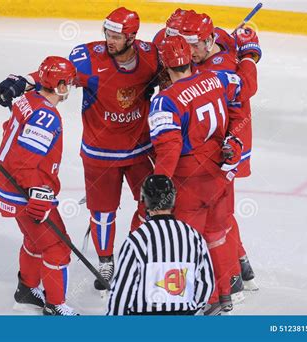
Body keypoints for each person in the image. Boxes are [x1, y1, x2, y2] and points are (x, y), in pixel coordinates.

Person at [148, 35, 251, 314]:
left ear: (164, 64)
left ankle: (178, 303)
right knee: (217, 234)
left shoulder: (165, 100)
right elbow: (242, 97)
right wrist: (235, 141)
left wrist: (160, 185)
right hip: (218, 173)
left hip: (188, 180)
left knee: (179, 242)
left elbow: (169, 149)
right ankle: (223, 294)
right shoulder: (218, 79)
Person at [67, 7, 160, 291]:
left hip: (139, 149)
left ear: (132, 37)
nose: (110, 40)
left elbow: (176, 71)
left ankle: (138, 254)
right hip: (100, 154)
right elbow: (59, 74)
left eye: (117, 36)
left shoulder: (150, 58)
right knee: (103, 212)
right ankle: (106, 261)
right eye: (108, 33)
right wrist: (26, 82)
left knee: (152, 205)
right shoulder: (88, 60)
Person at [179, 11, 261, 301]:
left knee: (219, 214)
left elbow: (247, 87)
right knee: (220, 212)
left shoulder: (216, 72)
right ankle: (241, 264)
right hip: (222, 142)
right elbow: (230, 41)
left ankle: (233, 277)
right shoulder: (221, 41)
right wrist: (246, 49)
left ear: (207, 39)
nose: (188, 52)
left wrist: (250, 56)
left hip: (228, 144)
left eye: (193, 46)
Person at [0, 56, 79, 315]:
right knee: (57, 247)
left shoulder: (26, 100)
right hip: (26, 193)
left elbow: (8, 128)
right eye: (69, 83)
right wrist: (37, 193)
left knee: (33, 239)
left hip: (10, 187)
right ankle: (55, 305)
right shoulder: (47, 116)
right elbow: (24, 163)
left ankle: (27, 288)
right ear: (60, 85)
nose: (71, 87)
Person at [107, 175, 214, 315]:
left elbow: (122, 293)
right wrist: (190, 312)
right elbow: (206, 284)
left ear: (145, 200)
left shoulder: (137, 239)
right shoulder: (193, 236)